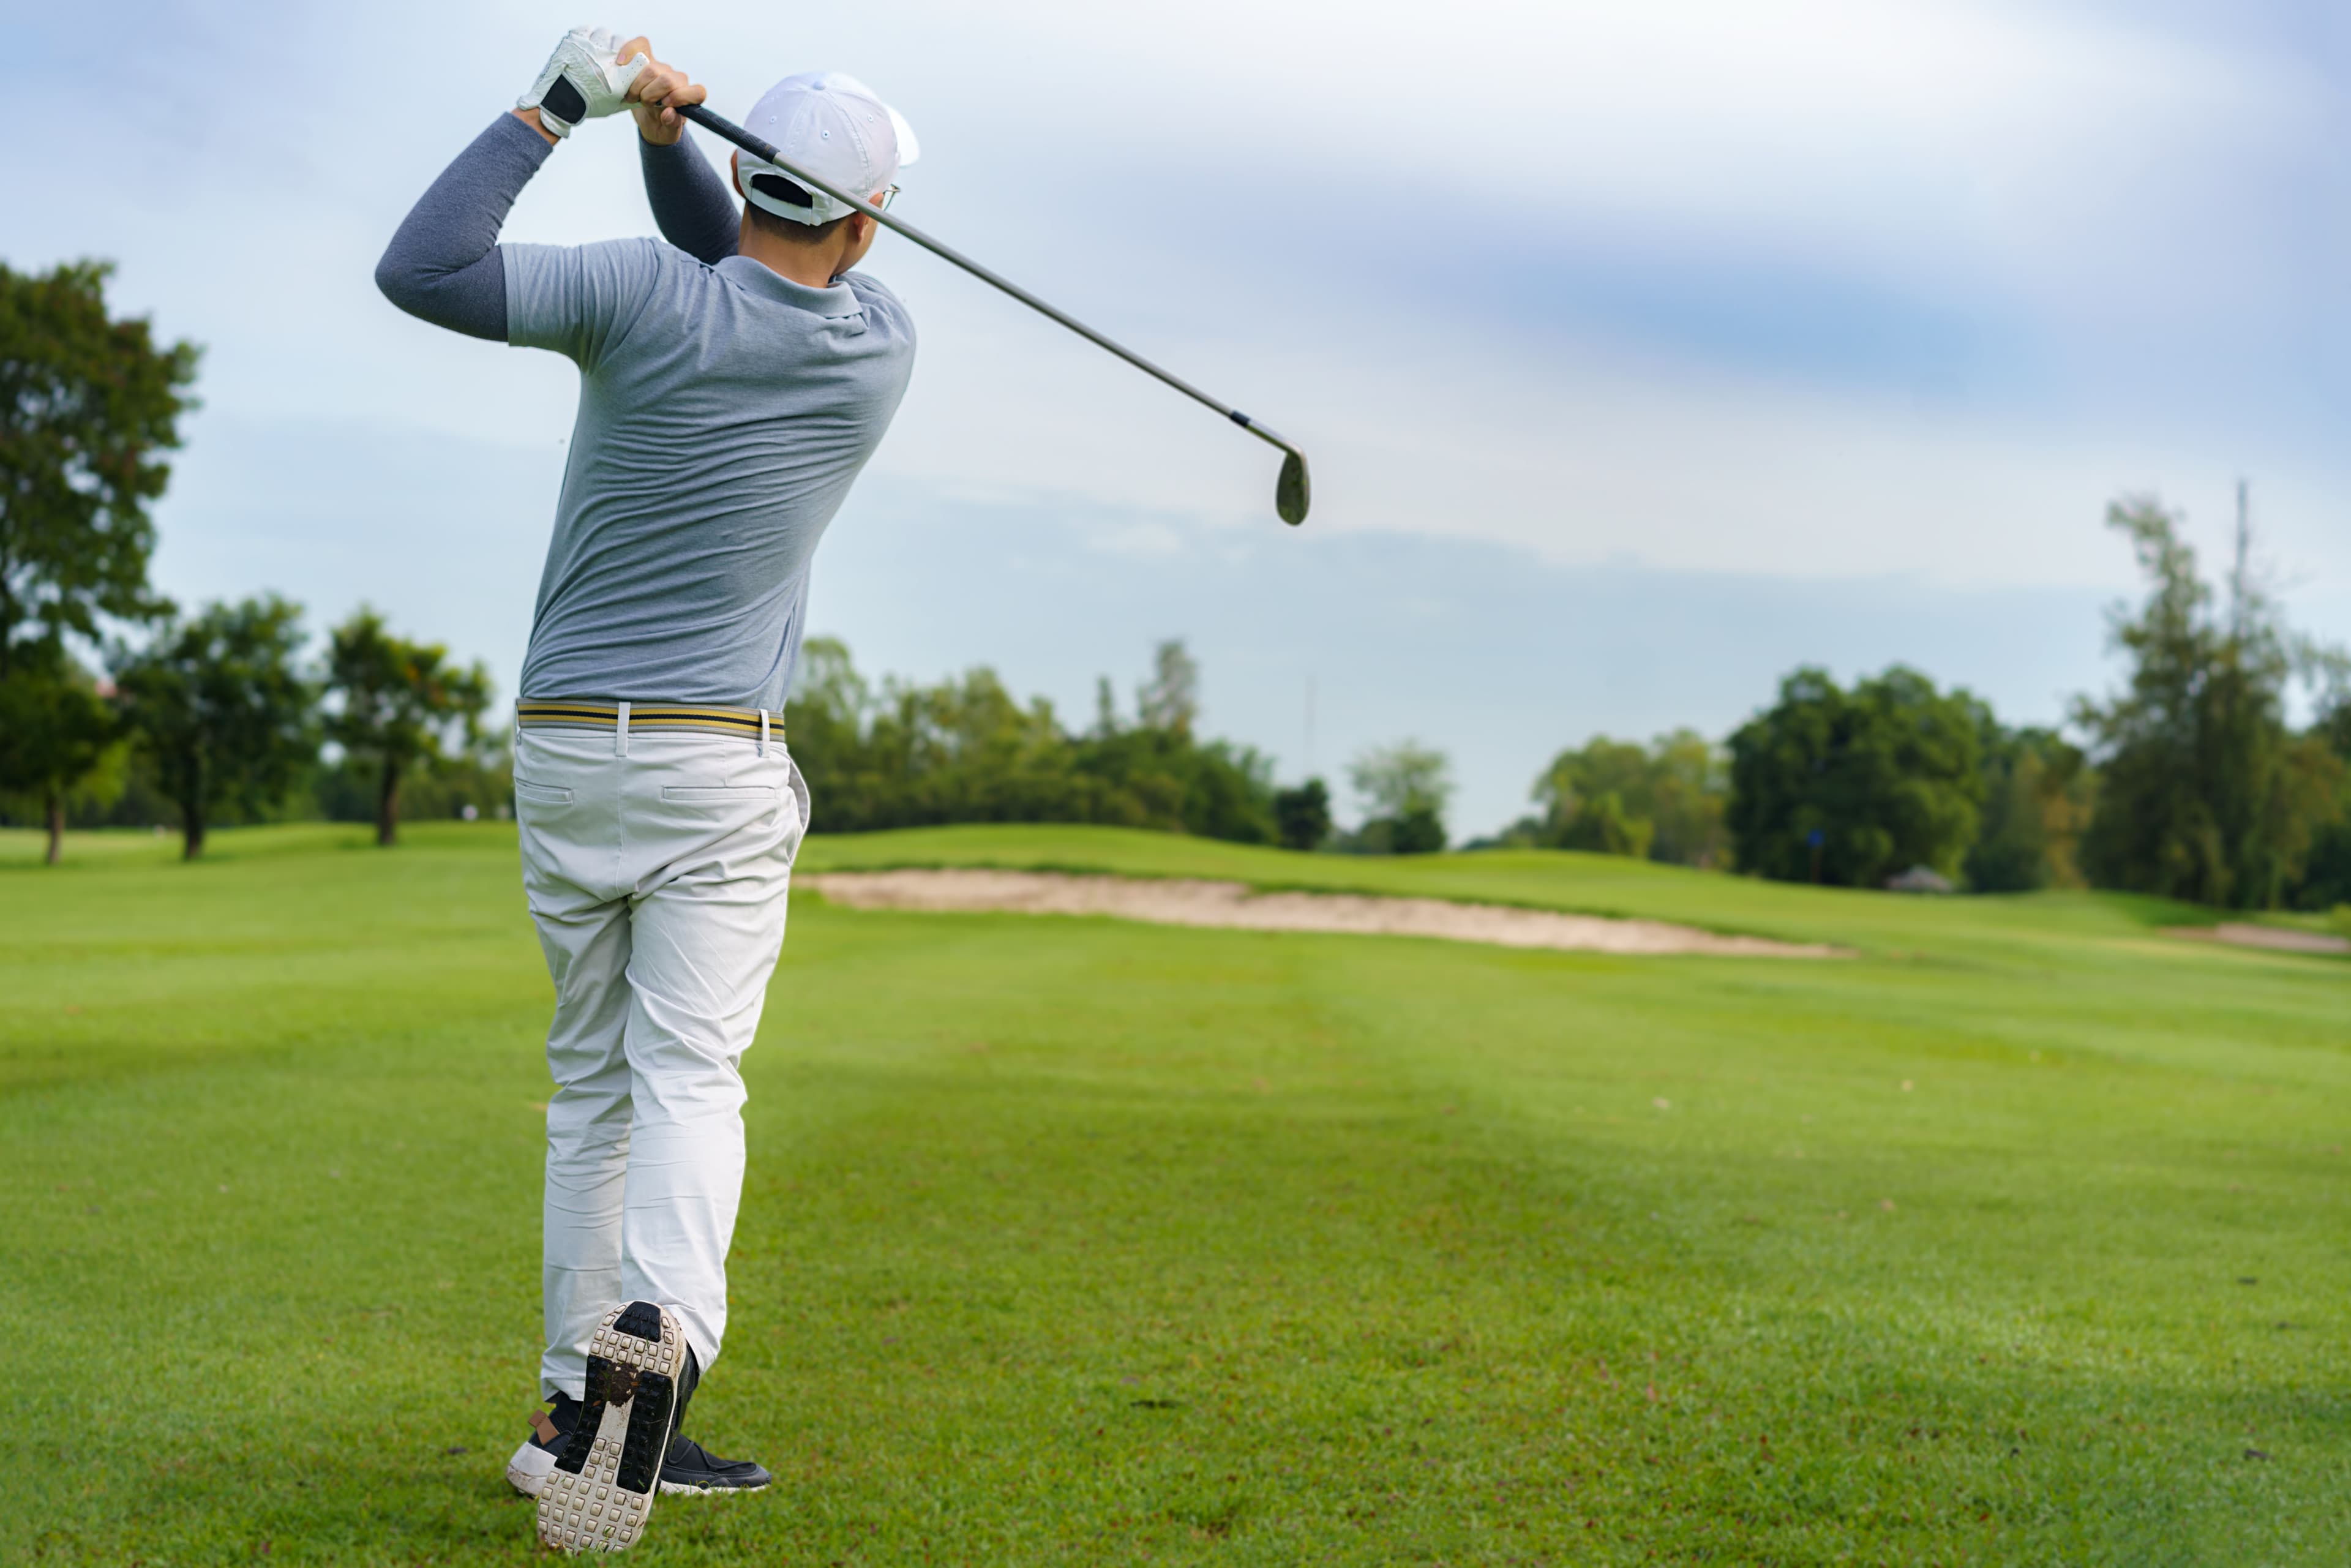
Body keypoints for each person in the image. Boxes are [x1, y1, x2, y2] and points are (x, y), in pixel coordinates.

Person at [375, 26, 918, 1553]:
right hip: (713, 762)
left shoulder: (629, 294)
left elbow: (426, 270)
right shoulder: (877, 344)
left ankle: (575, 1418)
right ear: (866, 222)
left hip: (562, 747)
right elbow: (760, 270)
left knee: (594, 1089)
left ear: (753, 174)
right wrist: (676, 150)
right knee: (690, 1080)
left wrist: (583, 113)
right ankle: (649, 1381)